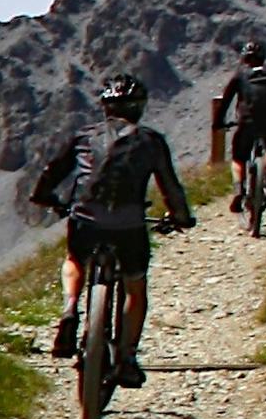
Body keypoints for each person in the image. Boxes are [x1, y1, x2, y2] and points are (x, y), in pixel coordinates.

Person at [32, 72, 193, 388]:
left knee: (75, 259)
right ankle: (127, 357)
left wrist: (44, 197)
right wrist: (180, 216)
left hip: (85, 218)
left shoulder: (83, 136)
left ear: (106, 107)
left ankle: (69, 310)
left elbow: (53, 171)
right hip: (129, 225)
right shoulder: (151, 141)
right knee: (135, 286)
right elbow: (170, 186)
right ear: (139, 108)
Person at [209, 46, 266, 228]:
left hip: (246, 122)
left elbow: (225, 102)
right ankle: (265, 179)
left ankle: (239, 190)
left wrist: (218, 123)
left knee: (238, 159)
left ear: (244, 59)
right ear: (263, 58)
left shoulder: (239, 76)